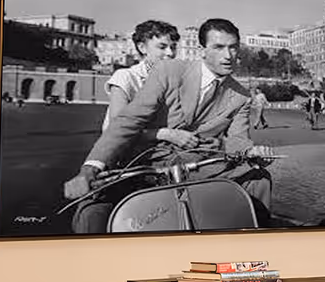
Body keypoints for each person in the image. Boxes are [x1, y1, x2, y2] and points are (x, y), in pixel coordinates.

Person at [64, 17, 269, 229]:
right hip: (148, 161)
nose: (228, 56)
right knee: (94, 209)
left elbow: (238, 140)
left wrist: (252, 151)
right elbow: (128, 121)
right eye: (218, 47)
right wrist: (90, 168)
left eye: (233, 48)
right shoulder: (169, 71)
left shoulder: (241, 96)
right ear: (202, 50)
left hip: (198, 166)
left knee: (258, 179)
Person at [103, 19, 179, 124]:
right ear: (142, 48)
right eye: (162, 47)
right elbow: (117, 126)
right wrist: (163, 134)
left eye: (173, 47)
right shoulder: (125, 77)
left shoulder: (176, 81)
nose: (170, 53)